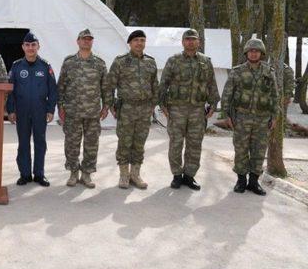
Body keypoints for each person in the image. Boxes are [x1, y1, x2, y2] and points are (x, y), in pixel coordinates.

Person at [158, 29, 219, 191]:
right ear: (183, 42)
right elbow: (163, 84)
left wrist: (213, 104)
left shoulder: (206, 62)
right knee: (176, 143)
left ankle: (189, 176)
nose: (191, 42)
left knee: (195, 144)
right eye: (188, 39)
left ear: (198, 42)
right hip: (176, 109)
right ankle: (177, 175)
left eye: (194, 39)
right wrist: (162, 105)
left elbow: (212, 84)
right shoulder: (174, 61)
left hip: (198, 110)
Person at [222, 38, 279, 196]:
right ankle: (241, 181)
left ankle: (254, 182)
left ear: (261, 53)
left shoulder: (269, 72)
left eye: (257, 51)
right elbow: (227, 94)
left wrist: (275, 116)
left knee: (259, 151)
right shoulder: (237, 71)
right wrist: (226, 115)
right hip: (241, 117)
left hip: (262, 119)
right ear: (247, 52)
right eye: (251, 51)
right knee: (241, 149)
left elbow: (275, 96)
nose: (254, 53)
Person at [105, 29, 158, 189]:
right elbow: (109, 85)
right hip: (126, 108)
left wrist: (152, 105)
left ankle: (135, 174)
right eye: (136, 40)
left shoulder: (150, 62)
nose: (139, 43)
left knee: (139, 142)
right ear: (130, 43)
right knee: (125, 142)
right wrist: (111, 105)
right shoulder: (120, 61)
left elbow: (155, 85)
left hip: (144, 109)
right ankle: (123, 175)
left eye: (142, 40)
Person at [57, 28, 110, 189]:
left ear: (92, 42)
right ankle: (73, 172)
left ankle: (86, 173)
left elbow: (106, 87)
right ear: (78, 41)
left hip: (93, 112)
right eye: (83, 39)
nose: (86, 41)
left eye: (89, 39)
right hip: (72, 111)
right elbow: (61, 86)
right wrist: (60, 106)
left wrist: (106, 106)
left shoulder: (99, 64)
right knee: (72, 144)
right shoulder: (69, 62)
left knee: (91, 144)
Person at [7, 32, 57, 187]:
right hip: (21, 111)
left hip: (40, 111)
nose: (30, 48)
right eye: (27, 45)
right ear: (23, 47)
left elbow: (53, 90)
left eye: (33, 45)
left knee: (40, 142)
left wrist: (50, 110)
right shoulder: (16, 67)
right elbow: (10, 91)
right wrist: (11, 110)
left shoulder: (45, 66)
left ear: (38, 46)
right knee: (23, 143)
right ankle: (25, 174)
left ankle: (39, 174)